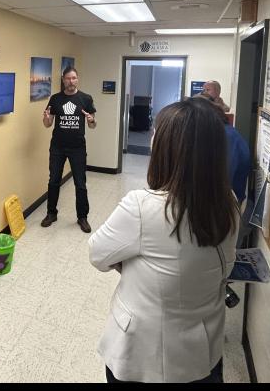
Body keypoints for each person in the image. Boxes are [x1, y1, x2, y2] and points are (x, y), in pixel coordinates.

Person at [89, 97, 239, 383]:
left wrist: (129, 263)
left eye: (156, 134)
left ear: (168, 147)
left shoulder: (143, 207)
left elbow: (97, 254)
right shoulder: (228, 203)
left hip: (142, 357)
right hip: (201, 355)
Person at [41, 66, 97, 233]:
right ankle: (51, 213)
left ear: (77, 79)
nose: (71, 81)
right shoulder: (55, 99)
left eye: (73, 78)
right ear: (63, 80)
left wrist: (90, 119)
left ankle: (82, 217)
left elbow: (93, 125)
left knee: (80, 184)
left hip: (77, 148)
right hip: (57, 147)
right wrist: (45, 119)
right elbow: (48, 124)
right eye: (68, 78)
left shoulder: (85, 98)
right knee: (54, 181)